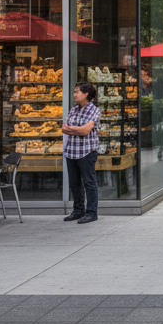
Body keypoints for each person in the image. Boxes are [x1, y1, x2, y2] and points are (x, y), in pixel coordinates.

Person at [61, 81, 101, 224]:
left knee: (89, 182)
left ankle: (91, 212)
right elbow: (64, 128)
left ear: (86, 94)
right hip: (71, 151)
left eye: (77, 91)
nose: (75, 94)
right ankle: (78, 210)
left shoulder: (94, 110)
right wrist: (76, 129)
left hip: (86, 151)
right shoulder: (73, 110)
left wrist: (73, 129)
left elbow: (85, 130)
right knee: (74, 183)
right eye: (74, 91)